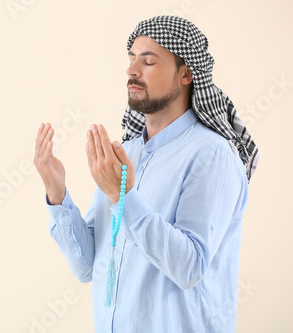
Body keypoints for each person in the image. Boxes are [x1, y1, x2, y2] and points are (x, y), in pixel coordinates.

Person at [33, 16, 259, 332]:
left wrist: (122, 196)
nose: (132, 70)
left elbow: (189, 267)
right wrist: (57, 195)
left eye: (148, 61)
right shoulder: (127, 153)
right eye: (131, 59)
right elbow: (88, 266)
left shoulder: (212, 156)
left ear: (186, 74)